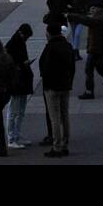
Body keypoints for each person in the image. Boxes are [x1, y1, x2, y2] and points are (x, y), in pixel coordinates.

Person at [39, 20, 76, 157]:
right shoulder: (67, 46)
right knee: (65, 115)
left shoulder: (50, 48)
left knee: (55, 117)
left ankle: (57, 146)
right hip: (65, 85)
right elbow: (72, 66)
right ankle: (65, 143)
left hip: (52, 87)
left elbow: (45, 68)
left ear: (48, 33)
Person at [5, 23, 34, 148]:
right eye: (27, 37)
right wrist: (23, 64)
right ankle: (11, 138)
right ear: (22, 34)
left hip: (22, 80)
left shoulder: (18, 42)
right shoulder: (14, 44)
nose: (27, 39)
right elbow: (12, 64)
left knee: (19, 111)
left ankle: (16, 134)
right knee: (14, 111)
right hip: (17, 81)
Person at [78, 4, 103, 97]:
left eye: (94, 8)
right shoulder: (102, 18)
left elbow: (86, 20)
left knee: (89, 70)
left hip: (95, 49)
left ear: (99, 9)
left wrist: (70, 15)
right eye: (91, 8)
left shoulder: (99, 20)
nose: (91, 10)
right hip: (98, 48)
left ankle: (89, 91)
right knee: (100, 69)